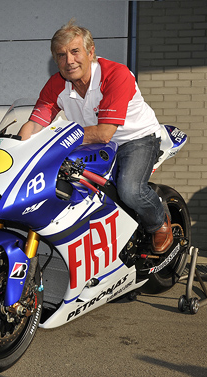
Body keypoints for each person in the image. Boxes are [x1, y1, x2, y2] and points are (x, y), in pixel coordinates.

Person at [18, 20, 173, 255]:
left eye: (75, 51)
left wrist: (57, 141)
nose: (69, 60)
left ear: (91, 53)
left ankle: (159, 222)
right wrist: (19, 148)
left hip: (135, 138)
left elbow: (104, 133)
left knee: (130, 189)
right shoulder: (55, 85)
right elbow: (35, 124)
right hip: (89, 141)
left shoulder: (115, 75)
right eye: (61, 55)